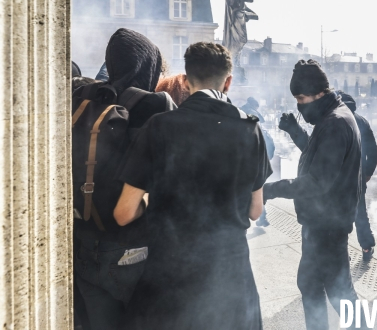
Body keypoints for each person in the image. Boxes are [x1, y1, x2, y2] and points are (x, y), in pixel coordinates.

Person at [114, 42, 271, 329]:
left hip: (170, 275)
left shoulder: (158, 126)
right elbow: (255, 211)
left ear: (185, 81)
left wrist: (154, 200)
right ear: (228, 82)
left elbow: (123, 213)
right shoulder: (250, 129)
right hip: (230, 277)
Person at [73, 28, 176, 330]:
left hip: (83, 240)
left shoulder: (82, 97)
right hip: (132, 248)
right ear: (149, 66)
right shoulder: (155, 105)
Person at [264, 59, 364, 330]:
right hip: (324, 219)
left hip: (328, 223)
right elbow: (321, 158)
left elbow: (317, 181)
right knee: (311, 284)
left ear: (319, 93)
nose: (299, 104)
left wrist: (269, 190)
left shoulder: (333, 122)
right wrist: (296, 131)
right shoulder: (332, 116)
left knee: (340, 293)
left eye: (300, 97)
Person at [339, 91, 377, 260]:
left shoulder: (334, 121)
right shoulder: (362, 121)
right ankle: (366, 248)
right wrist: (367, 172)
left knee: (339, 214)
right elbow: (374, 152)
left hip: (338, 178)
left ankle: (342, 251)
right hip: (358, 176)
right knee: (360, 212)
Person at [240, 96, 275, 227]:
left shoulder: (240, 111)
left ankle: (259, 217)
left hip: (243, 155)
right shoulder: (253, 114)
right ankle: (262, 217)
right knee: (257, 187)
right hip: (253, 155)